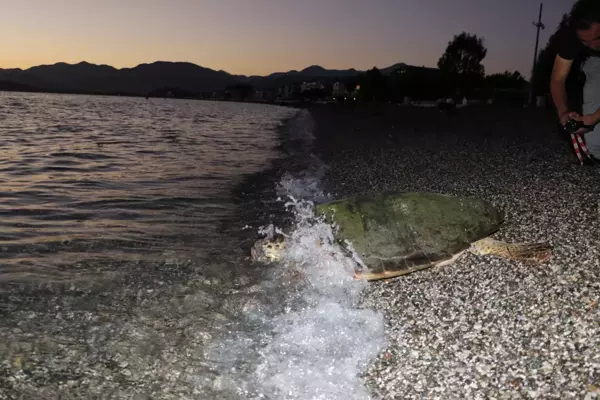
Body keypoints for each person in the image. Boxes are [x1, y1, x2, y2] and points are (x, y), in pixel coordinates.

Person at [550, 0, 600, 160]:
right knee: (593, 89)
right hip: (595, 62)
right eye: (584, 41)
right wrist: (563, 112)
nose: (591, 45)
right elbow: (557, 80)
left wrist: (595, 118)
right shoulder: (570, 37)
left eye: (596, 38)